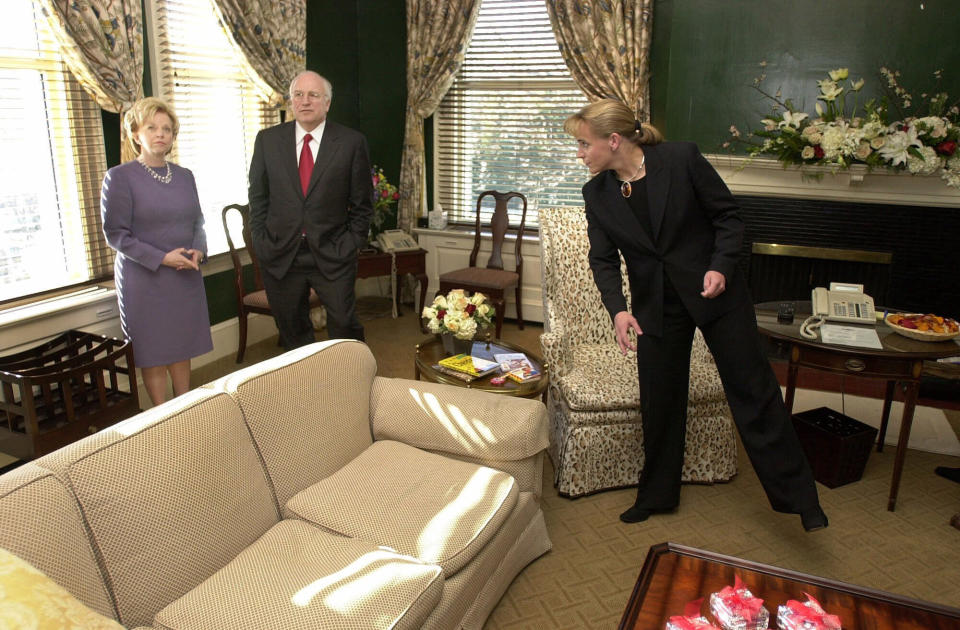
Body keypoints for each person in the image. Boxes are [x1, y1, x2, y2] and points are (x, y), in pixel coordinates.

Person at [564, 99, 828, 532]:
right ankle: (657, 495)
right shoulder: (597, 194)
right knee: (660, 399)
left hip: (714, 292)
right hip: (656, 305)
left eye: (582, 144)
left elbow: (728, 218)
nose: (579, 154)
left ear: (613, 141)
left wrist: (721, 266)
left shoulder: (681, 159)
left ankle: (801, 500)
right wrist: (618, 311)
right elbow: (603, 260)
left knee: (753, 389)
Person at [248, 71, 374, 348]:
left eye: (313, 95)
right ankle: (308, 388)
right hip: (282, 254)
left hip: (333, 252)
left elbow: (363, 204)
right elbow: (258, 198)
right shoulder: (267, 140)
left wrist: (352, 243)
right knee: (292, 330)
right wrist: (261, 241)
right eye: (298, 95)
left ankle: (349, 383)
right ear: (291, 101)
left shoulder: (351, 143)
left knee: (345, 325)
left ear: (327, 103)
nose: (305, 101)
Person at [101, 97, 213, 406]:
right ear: (136, 134)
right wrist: (163, 257)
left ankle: (184, 404)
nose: (160, 134)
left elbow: (198, 222)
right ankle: (162, 415)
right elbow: (116, 234)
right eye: (152, 127)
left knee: (181, 345)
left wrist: (198, 251)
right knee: (154, 350)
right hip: (145, 278)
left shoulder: (184, 175)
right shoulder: (120, 178)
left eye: (167, 129)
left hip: (184, 274)